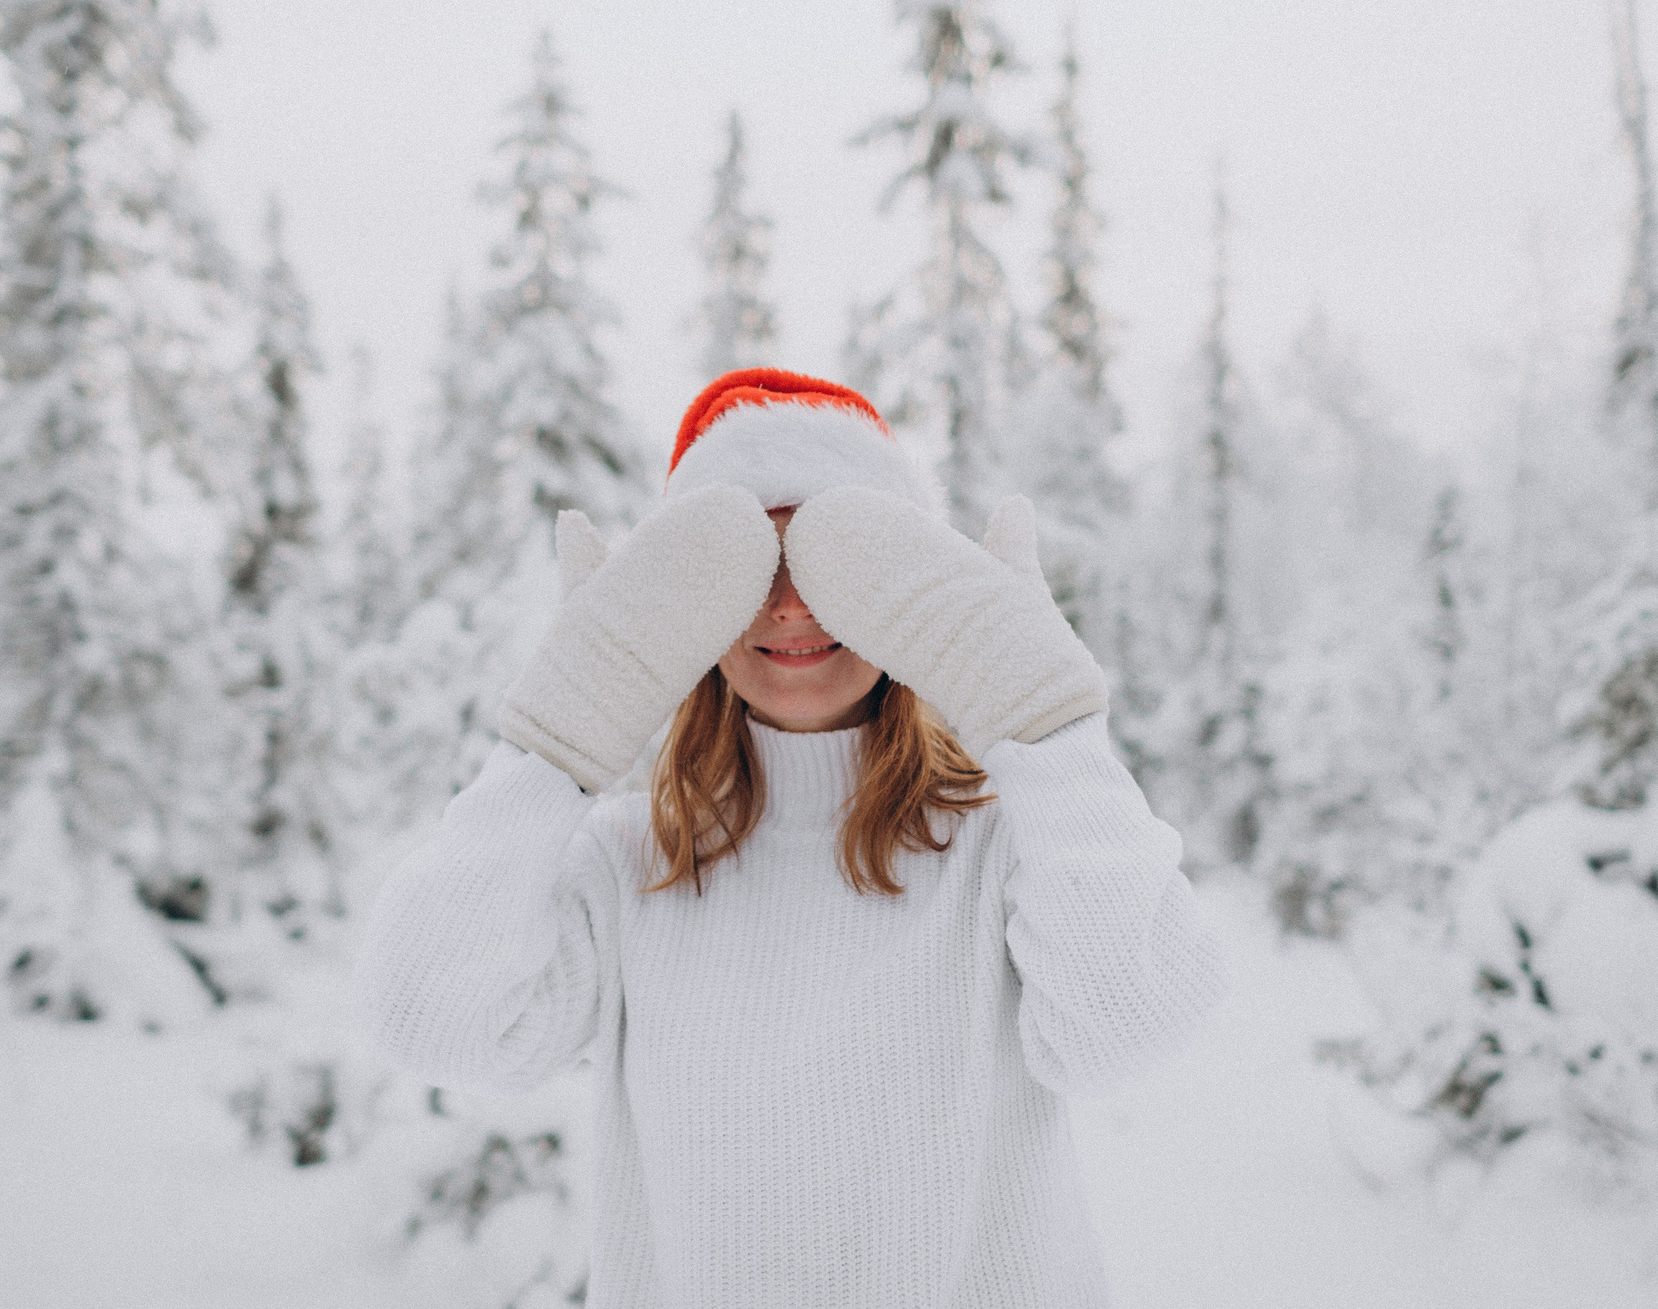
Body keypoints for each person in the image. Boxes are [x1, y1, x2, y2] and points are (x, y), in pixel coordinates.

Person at [353, 368, 1231, 1308]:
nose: (788, 605)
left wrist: (1043, 719)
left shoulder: (1008, 842)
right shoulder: (630, 861)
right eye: (747, 565)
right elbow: (429, 1017)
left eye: (825, 558)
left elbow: (1127, 1029)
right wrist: (552, 743)